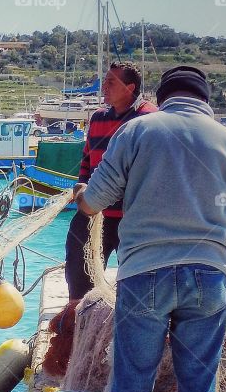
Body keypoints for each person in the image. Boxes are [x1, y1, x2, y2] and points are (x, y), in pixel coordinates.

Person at [74, 65, 226, 392]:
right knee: (199, 384)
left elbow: (95, 200)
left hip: (145, 273)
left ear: (164, 94)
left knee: (132, 380)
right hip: (209, 276)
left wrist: (81, 195)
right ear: (206, 99)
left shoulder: (138, 131)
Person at [64, 63, 157, 301]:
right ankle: (79, 312)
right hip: (96, 213)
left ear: (130, 87)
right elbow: (87, 158)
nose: (104, 86)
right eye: (104, 81)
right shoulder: (98, 118)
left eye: (111, 82)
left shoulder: (150, 119)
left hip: (135, 219)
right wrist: (83, 187)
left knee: (138, 280)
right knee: (78, 263)